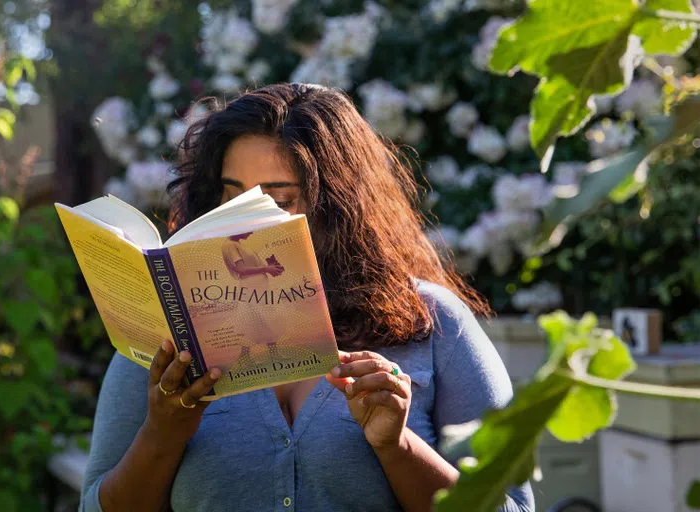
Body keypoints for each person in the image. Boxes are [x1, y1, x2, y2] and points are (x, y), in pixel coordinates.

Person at [80, 83, 534, 512]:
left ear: (340, 208)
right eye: (231, 197)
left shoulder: (433, 323)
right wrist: (162, 436)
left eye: (279, 202)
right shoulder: (171, 328)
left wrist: (397, 447)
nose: (245, 226)